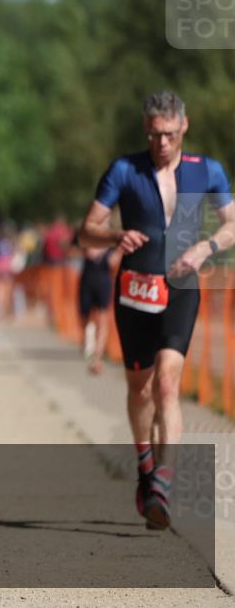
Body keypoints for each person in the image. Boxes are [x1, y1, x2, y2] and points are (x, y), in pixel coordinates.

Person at [79, 90, 234, 530]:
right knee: (140, 388)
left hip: (182, 287)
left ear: (184, 126)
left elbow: (232, 222)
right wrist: (114, 238)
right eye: (153, 135)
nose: (160, 143)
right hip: (135, 291)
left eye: (167, 134)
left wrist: (206, 247)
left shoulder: (207, 171)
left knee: (168, 383)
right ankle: (145, 466)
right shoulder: (125, 170)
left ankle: (163, 488)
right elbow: (86, 232)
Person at [77, 240, 120, 375]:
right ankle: (88, 341)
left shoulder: (113, 243)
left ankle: (98, 352)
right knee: (85, 316)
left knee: (102, 317)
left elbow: (112, 262)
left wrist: (120, 250)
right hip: (87, 281)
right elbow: (89, 253)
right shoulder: (89, 236)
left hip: (103, 282)